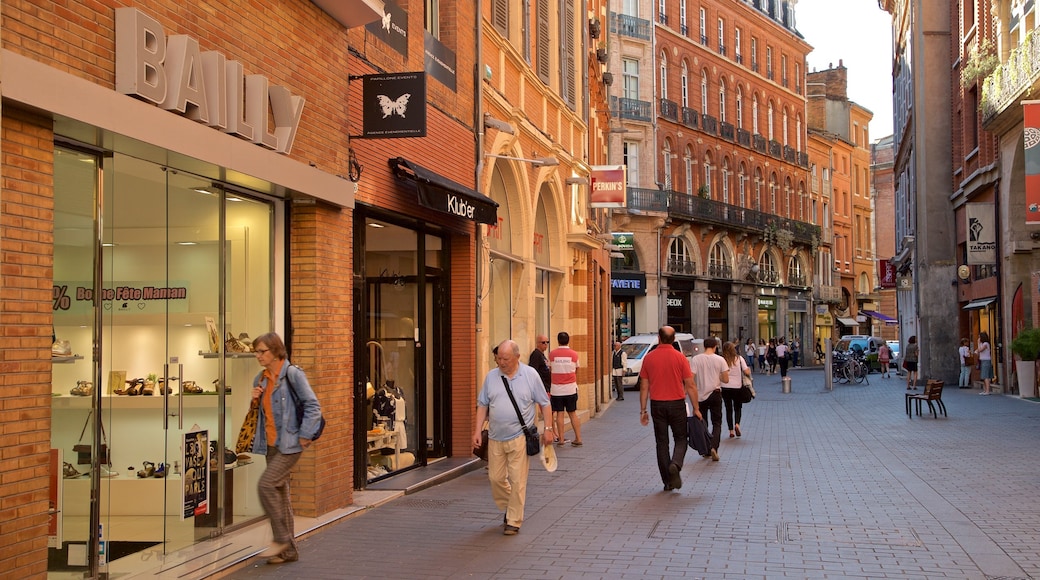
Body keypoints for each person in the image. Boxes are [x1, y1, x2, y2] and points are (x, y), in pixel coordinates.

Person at [250, 332, 323, 565]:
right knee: (280, 496)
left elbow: (313, 405)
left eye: (262, 351)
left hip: (291, 444)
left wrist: (304, 436)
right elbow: (261, 415)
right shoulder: (260, 379)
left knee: (266, 485)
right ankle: (289, 551)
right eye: (256, 351)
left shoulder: (292, 374)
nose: (258, 355)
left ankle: (281, 538)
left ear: (275, 351)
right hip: (271, 444)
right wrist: (254, 401)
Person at [474, 340, 554, 535]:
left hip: (520, 436)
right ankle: (511, 507)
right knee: (495, 478)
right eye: (499, 358)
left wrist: (549, 429)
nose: (501, 362)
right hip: (495, 437)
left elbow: (545, 403)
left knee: (518, 481)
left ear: (517, 357)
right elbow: (482, 405)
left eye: (506, 359)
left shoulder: (530, 375)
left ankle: (514, 521)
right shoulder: (491, 377)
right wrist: (477, 431)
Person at [638, 326, 699, 491]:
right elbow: (690, 385)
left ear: (659, 338)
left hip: (657, 404)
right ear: (673, 340)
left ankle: (667, 481)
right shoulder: (680, 358)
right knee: (681, 438)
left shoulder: (649, 358)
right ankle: (676, 464)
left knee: (661, 442)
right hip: (677, 403)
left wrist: (643, 410)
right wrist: (696, 408)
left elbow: (644, 386)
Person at [690, 336, 730, 461]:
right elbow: (726, 379)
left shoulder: (696, 359)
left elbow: (691, 377)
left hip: (700, 394)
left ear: (704, 346)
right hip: (715, 392)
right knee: (717, 422)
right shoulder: (720, 360)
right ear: (715, 346)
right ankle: (714, 447)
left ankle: (706, 448)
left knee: (703, 422)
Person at [549, 332, 583, 446]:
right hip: (570, 388)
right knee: (572, 413)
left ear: (558, 341)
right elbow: (577, 369)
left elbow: (550, 368)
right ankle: (578, 438)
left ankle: (561, 439)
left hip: (556, 389)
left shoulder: (552, 354)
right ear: (568, 341)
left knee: (559, 413)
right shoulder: (574, 354)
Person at [720, 341, 751, 439]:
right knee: (738, 407)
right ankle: (737, 424)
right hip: (737, 387)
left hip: (724, 387)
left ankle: (731, 430)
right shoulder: (739, 359)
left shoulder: (721, 360)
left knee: (728, 408)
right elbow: (746, 371)